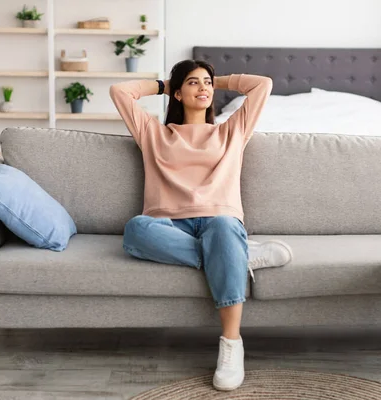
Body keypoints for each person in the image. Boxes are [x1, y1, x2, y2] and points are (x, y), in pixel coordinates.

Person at [109, 60, 293, 391]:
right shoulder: (154, 134)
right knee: (136, 230)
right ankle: (235, 257)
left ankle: (232, 345)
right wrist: (167, 83)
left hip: (219, 220)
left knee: (223, 229)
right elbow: (120, 92)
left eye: (207, 83)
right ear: (177, 94)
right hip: (166, 225)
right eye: (193, 83)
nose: (204, 88)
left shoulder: (231, 131)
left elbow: (261, 84)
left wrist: (215, 79)